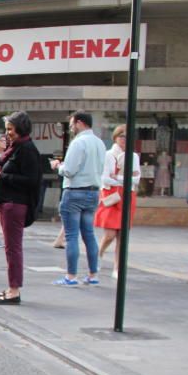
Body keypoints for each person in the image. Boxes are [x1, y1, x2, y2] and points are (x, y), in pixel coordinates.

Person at [0, 111, 42, 304]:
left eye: (10, 129)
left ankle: (14, 291)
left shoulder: (27, 149)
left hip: (16, 205)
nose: (7, 133)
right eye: (6, 129)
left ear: (20, 129)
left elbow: (32, 181)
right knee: (10, 248)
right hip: (8, 203)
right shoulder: (16, 148)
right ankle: (11, 288)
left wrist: (1, 177)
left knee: (13, 248)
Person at [51, 111, 104, 286]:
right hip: (93, 192)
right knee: (89, 234)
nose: (71, 127)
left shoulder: (78, 143)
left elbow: (70, 170)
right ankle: (93, 274)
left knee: (71, 235)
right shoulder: (99, 143)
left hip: (75, 192)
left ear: (80, 123)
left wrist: (58, 166)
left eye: (72, 124)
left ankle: (71, 276)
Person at [95, 125, 141, 278]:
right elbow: (105, 177)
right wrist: (124, 180)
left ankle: (118, 267)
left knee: (122, 235)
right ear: (115, 137)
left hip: (128, 195)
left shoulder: (133, 156)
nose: (124, 140)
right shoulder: (108, 155)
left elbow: (136, 178)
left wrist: (119, 178)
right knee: (109, 234)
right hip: (111, 195)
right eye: (121, 136)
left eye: (127, 137)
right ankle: (98, 254)